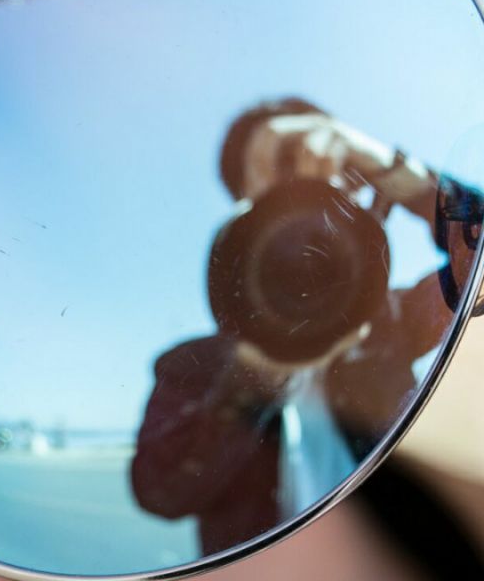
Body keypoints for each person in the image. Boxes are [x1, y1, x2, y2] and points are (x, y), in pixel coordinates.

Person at [131, 98, 481, 556]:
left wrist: (397, 174)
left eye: (321, 174)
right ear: (245, 218)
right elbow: (158, 491)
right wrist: (254, 375)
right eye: (275, 188)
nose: (301, 209)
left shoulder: (393, 321)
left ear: (355, 189)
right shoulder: (192, 366)